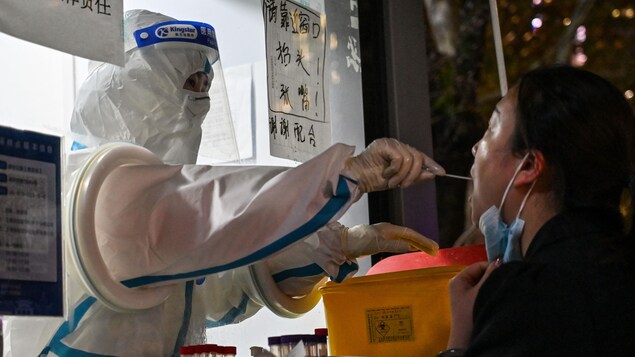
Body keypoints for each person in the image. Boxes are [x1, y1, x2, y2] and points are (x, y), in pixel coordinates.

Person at [2, 10, 446, 357]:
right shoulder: (91, 187)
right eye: (186, 81)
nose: (201, 97)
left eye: (204, 82)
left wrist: (338, 243)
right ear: (129, 85)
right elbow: (205, 210)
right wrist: (345, 173)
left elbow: (222, 282)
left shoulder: (157, 206)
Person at [439, 64, 635, 356]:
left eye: (492, 128)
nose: (475, 148)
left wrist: (459, 344)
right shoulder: (616, 268)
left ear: (529, 166)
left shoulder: (535, 293)